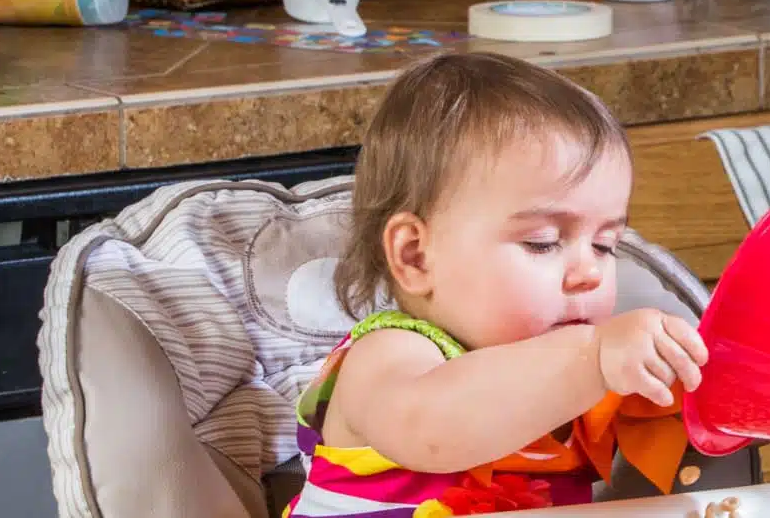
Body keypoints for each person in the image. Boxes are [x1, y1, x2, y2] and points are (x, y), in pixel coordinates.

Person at [285, 53, 706, 518]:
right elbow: (431, 430)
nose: (590, 272)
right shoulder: (390, 355)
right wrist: (591, 358)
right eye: (542, 243)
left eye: (605, 245)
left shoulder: (585, 378)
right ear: (415, 256)